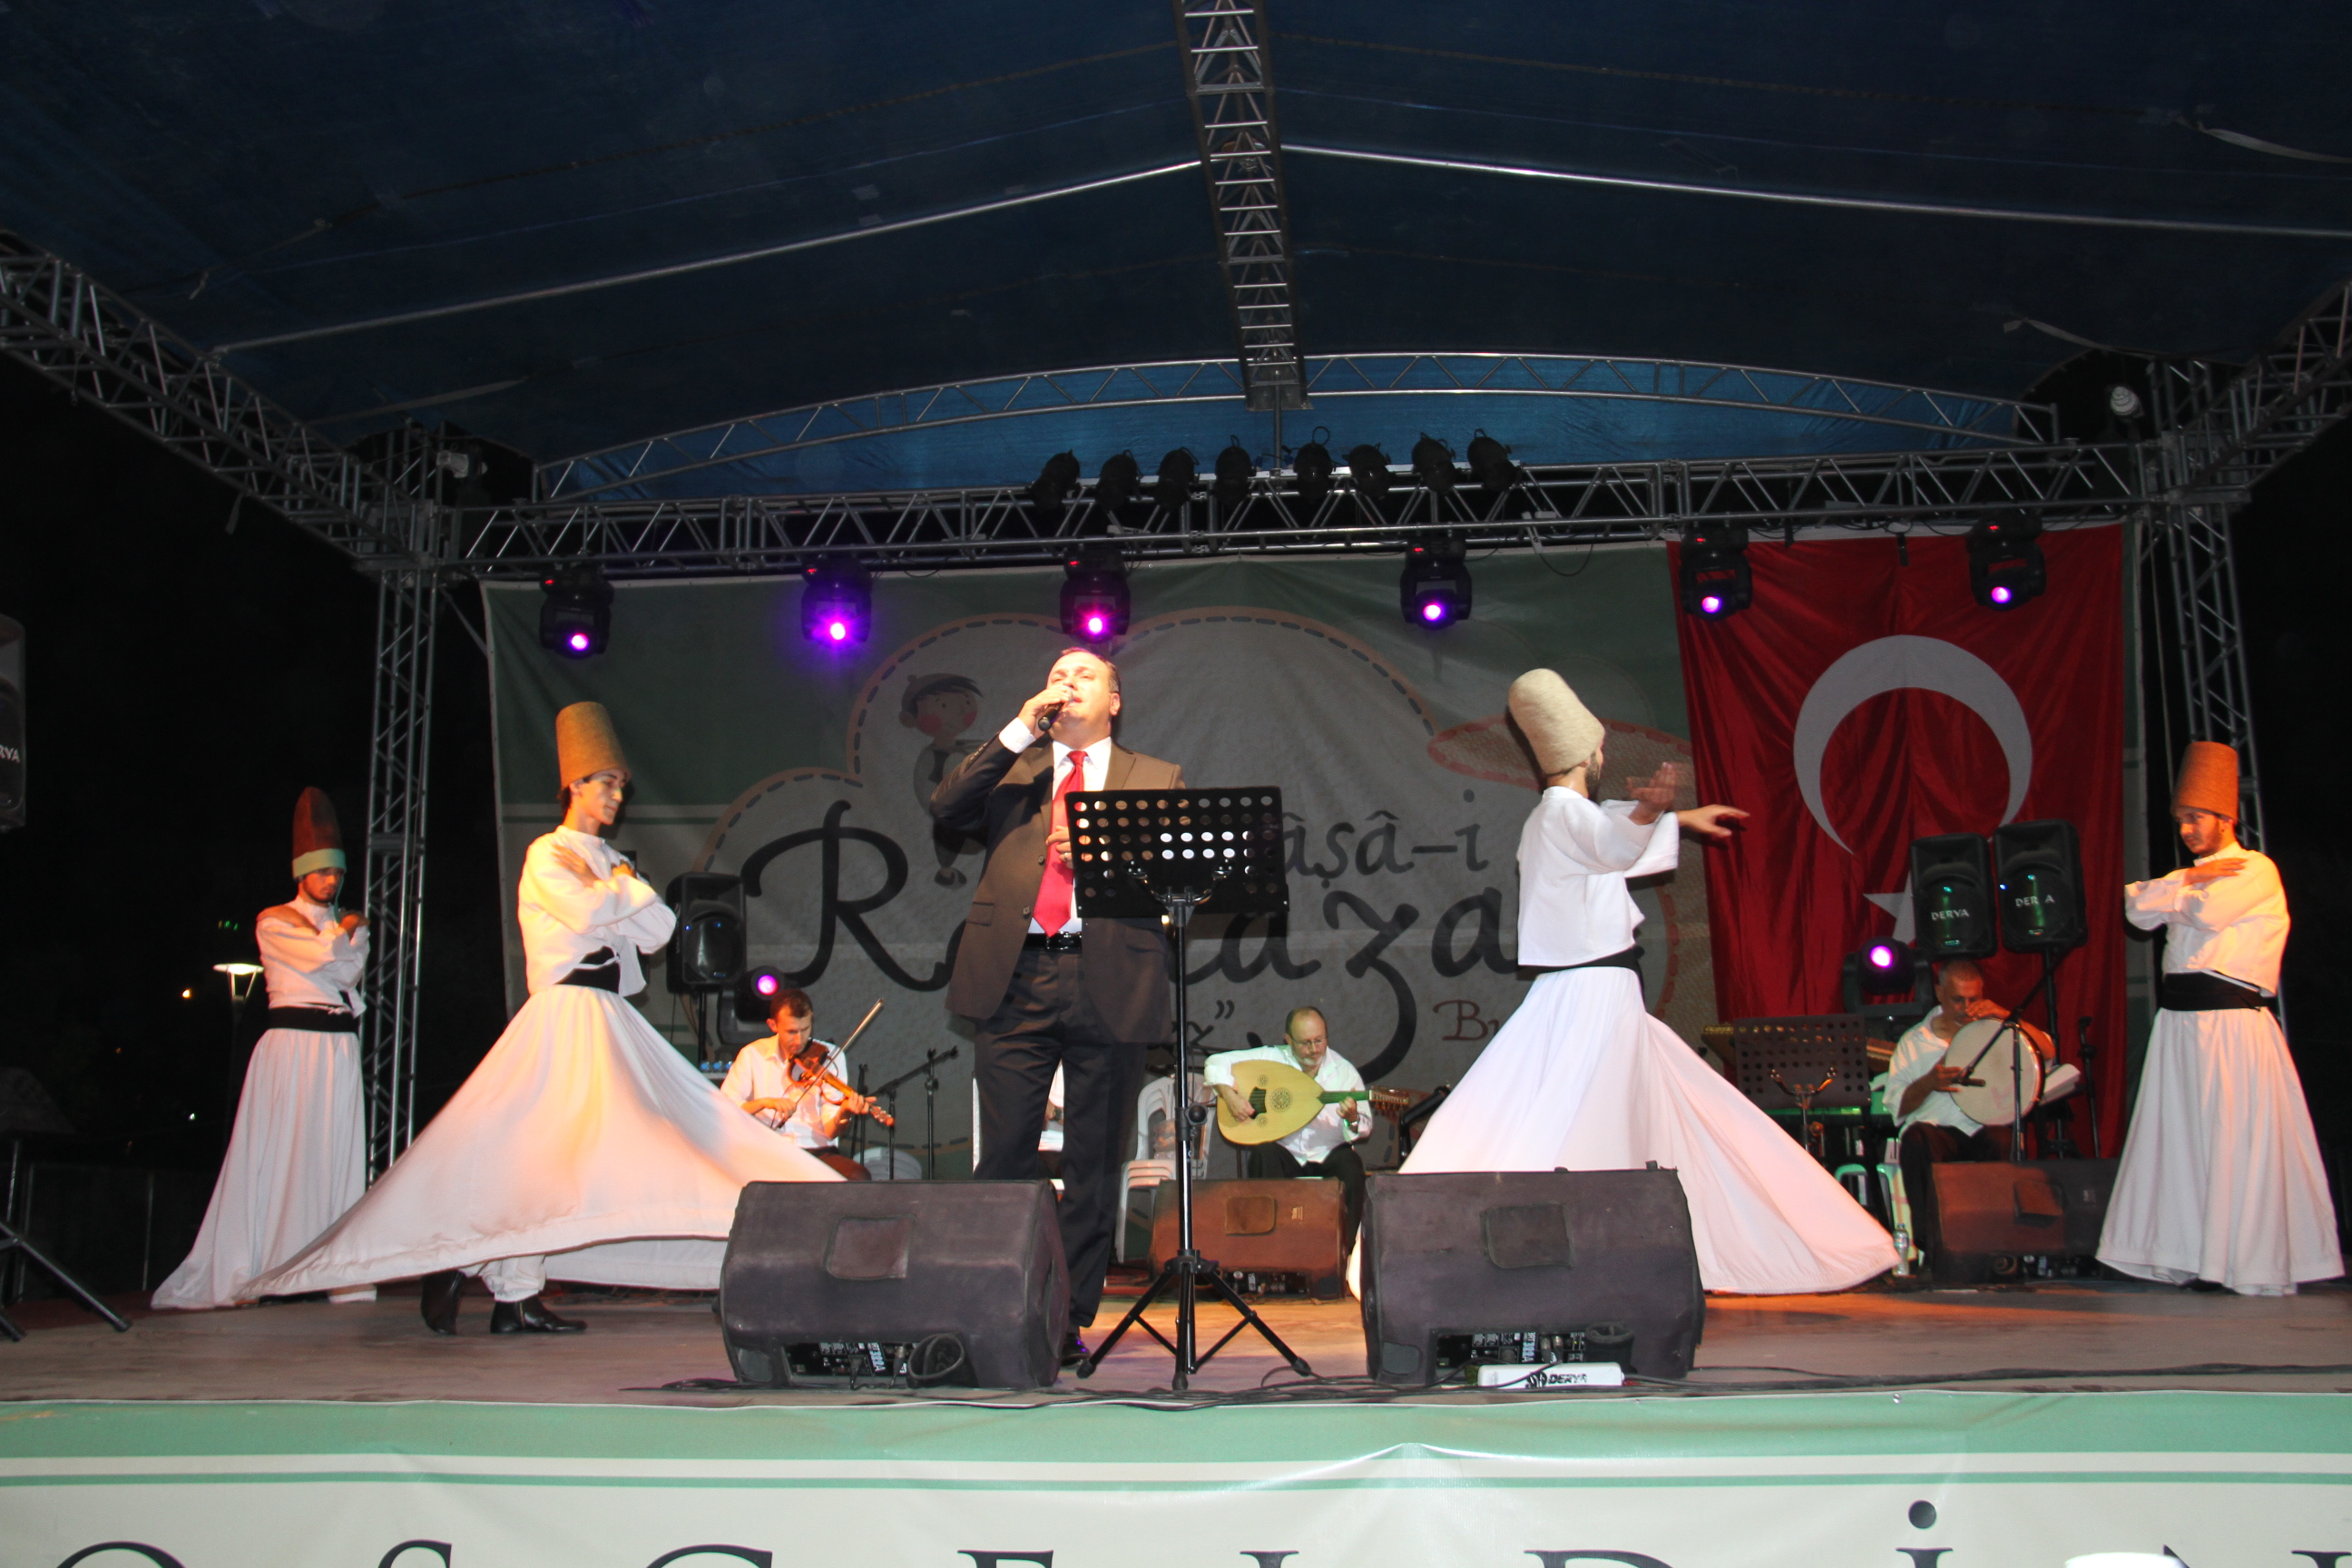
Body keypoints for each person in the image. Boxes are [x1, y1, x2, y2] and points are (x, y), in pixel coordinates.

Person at [250, 702, 840, 1333]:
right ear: (576, 786)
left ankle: (511, 1293)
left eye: (621, 786)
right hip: (565, 1014)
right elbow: (586, 912)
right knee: (540, 1152)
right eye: (607, 783)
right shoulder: (548, 854)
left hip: (606, 1014)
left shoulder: (606, 860)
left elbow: (661, 930)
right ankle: (477, 1270)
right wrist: (623, 886)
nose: (617, 796)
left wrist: (619, 888)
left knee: (569, 1154)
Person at [1395, 669, 1898, 1294]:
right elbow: (1612, 842)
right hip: (1595, 993)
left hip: (1593, 990)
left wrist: (1674, 817)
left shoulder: (1557, 817)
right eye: (1600, 750)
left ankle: (1630, 1250)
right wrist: (1652, 811)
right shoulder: (1563, 817)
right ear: (1590, 756)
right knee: (1596, 1114)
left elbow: (1609, 835)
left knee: (1638, 1110)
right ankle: (1596, 1257)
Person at [931, 646, 1183, 1358]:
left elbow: (1177, 882)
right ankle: (993, 1309)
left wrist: (1103, 865)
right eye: (1056, 676)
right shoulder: (1013, 769)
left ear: (1115, 701)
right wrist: (1018, 728)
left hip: (1111, 976)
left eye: (1085, 675)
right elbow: (946, 808)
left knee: (1093, 1162)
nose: (1068, 683)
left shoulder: (1155, 778)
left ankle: (1066, 1319)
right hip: (1015, 973)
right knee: (1005, 1154)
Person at [2097, 741, 2341, 1295]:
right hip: (2180, 1024)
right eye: (2181, 820)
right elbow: (2134, 906)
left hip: (2230, 1024)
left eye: (2196, 819)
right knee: (2181, 1137)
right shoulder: (2195, 875)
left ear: (2225, 818)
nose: (2186, 830)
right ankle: (2183, 1252)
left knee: (2231, 1137)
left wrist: (2174, 895)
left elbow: (2209, 913)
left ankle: (2238, 1260)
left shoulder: (2255, 869)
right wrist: (2185, 884)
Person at [153, 789, 375, 1310]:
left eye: (337, 873)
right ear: (302, 873)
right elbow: (325, 959)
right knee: (284, 1154)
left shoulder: (346, 924)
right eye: (322, 872)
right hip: (292, 1047)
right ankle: (271, 1267)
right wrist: (342, 932)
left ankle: (327, 1269)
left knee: (333, 1154)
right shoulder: (274, 919)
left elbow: (347, 973)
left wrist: (343, 934)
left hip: (338, 1048)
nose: (331, 881)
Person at [1885, 958, 2055, 1269]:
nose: (1965, 1008)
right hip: (1937, 1131)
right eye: (1957, 1000)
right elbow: (1897, 1105)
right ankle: (1933, 1246)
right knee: (1916, 1139)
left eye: (1973, 999)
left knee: (2002, 1139)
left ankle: (1998, 1248)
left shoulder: (1996, 1030)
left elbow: (2047, 1051)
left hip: (1983, 1127)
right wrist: (1929, 1083)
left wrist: (2004, 1015)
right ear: (1939, 993)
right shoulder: (1914, 1040)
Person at [1206, 1007, 1374, 1250]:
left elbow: (1364, 1127)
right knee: (1263, 1154)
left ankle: (1343, 1253)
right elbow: (1215, 1062)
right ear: (1288, 1040)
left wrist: (1353, 1118)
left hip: (1328, 1153)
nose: (1314, 1049)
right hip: (1285, 1152)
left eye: (1319, 1040)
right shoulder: (1273, 1058)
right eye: (1305, 1043)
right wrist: (1228, 1094)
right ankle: (1267, 1250)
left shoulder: (1343, 1072)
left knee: (1351, 1166)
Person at [722, 987, 878, 1180]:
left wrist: (844, 1113)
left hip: (817, 1151)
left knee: (858, 1176)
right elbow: (725, 1108)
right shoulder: (752, 1054)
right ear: (773, 1025)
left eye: (805, 1030)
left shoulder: (830, 1056)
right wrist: (764, 1103)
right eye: (791, 1032)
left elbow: (830, 1131)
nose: (799, 1040)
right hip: (769, 1150)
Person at [901, 672, 985, 886]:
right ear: (910, 719)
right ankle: (946, 870)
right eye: (944, 706)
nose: (959, 711)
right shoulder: (930, 759)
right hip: (955, 817)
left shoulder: (973, 746)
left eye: (966, 702)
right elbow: (927, 794)